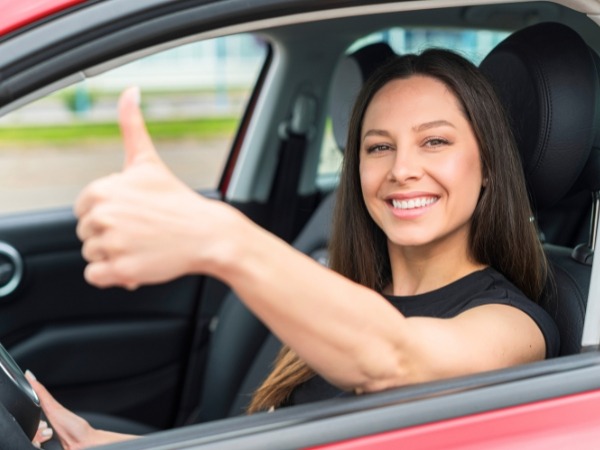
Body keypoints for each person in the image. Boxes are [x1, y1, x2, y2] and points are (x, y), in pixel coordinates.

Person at [29, 49, 559, 449]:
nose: (401, 170)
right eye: (378, 147)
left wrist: (221, 237)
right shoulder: (343, 299)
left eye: (435, 142)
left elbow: (394, 358)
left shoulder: (516, 327)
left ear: (488, 167)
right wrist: (99, 441)